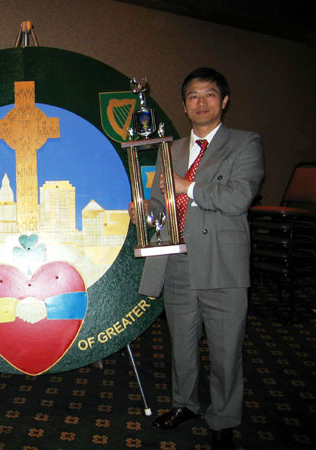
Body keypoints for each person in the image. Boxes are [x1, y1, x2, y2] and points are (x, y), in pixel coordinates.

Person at [129, 68, 264, 450]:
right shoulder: (170, 150)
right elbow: (162, 204)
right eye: (193, 96)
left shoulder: (245, 143)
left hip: (223, 264)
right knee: (182, 347)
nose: (201, 102)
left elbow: (238, 198)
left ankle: (223, 418)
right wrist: (146, 213)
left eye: (209, 94)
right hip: (179, 262)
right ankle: (185, 404)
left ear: (224, 101)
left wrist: (187, 186)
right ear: (185, 105)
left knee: (225, 350)